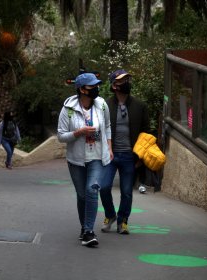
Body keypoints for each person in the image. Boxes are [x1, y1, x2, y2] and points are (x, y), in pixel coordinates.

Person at [57, 73, 113, 247]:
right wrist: (79, 133)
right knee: (82, 196)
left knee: (92, 190)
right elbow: (60, 136)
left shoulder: (102, 105)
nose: (96, 89)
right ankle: (84, 228)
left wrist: (109, 147)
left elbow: (108, 126)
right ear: (81, 90)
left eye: (96, 85)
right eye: (91, 86)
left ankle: (89, 231)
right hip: (76, 159)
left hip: (97, 155)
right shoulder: (68, 109)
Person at [100, 69, 150, 235]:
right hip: (110, 154)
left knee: (127, 192)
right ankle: (110, 215)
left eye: (127, 79)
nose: (127, 83)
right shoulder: (104, 105)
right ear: (114, 86)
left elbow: (146, 133)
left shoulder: (140, 106)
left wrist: (141, 156)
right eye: (122, 81)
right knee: (104, 187)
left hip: (130, 155)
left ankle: (123, 222)